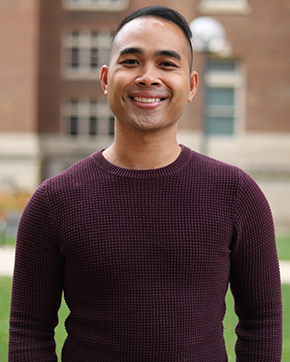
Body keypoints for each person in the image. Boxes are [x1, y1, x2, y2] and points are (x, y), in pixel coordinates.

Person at [9, 5, 282, 361]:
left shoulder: (236, 194)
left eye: (167, 64)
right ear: (106, 79)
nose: (148, 77)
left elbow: (262, 321)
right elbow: (30, 331)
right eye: (132, 61)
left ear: (191, 85)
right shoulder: (53, 201)